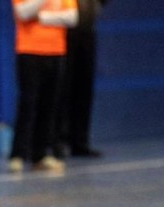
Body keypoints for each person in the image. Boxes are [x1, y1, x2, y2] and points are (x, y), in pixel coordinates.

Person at [8, 0, 78, 172]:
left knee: (50, 105)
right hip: (29, 50)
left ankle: (41, 154)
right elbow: (23, 13)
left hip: (56, 51)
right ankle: (18, 154)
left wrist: (42, 17)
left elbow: (72, 18)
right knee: (28, 103)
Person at [56, 0, 107, 158]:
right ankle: (58, 140)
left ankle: (80, 141)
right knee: (63, 88)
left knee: (84, 88)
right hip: (64, 31)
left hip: (87, 29)